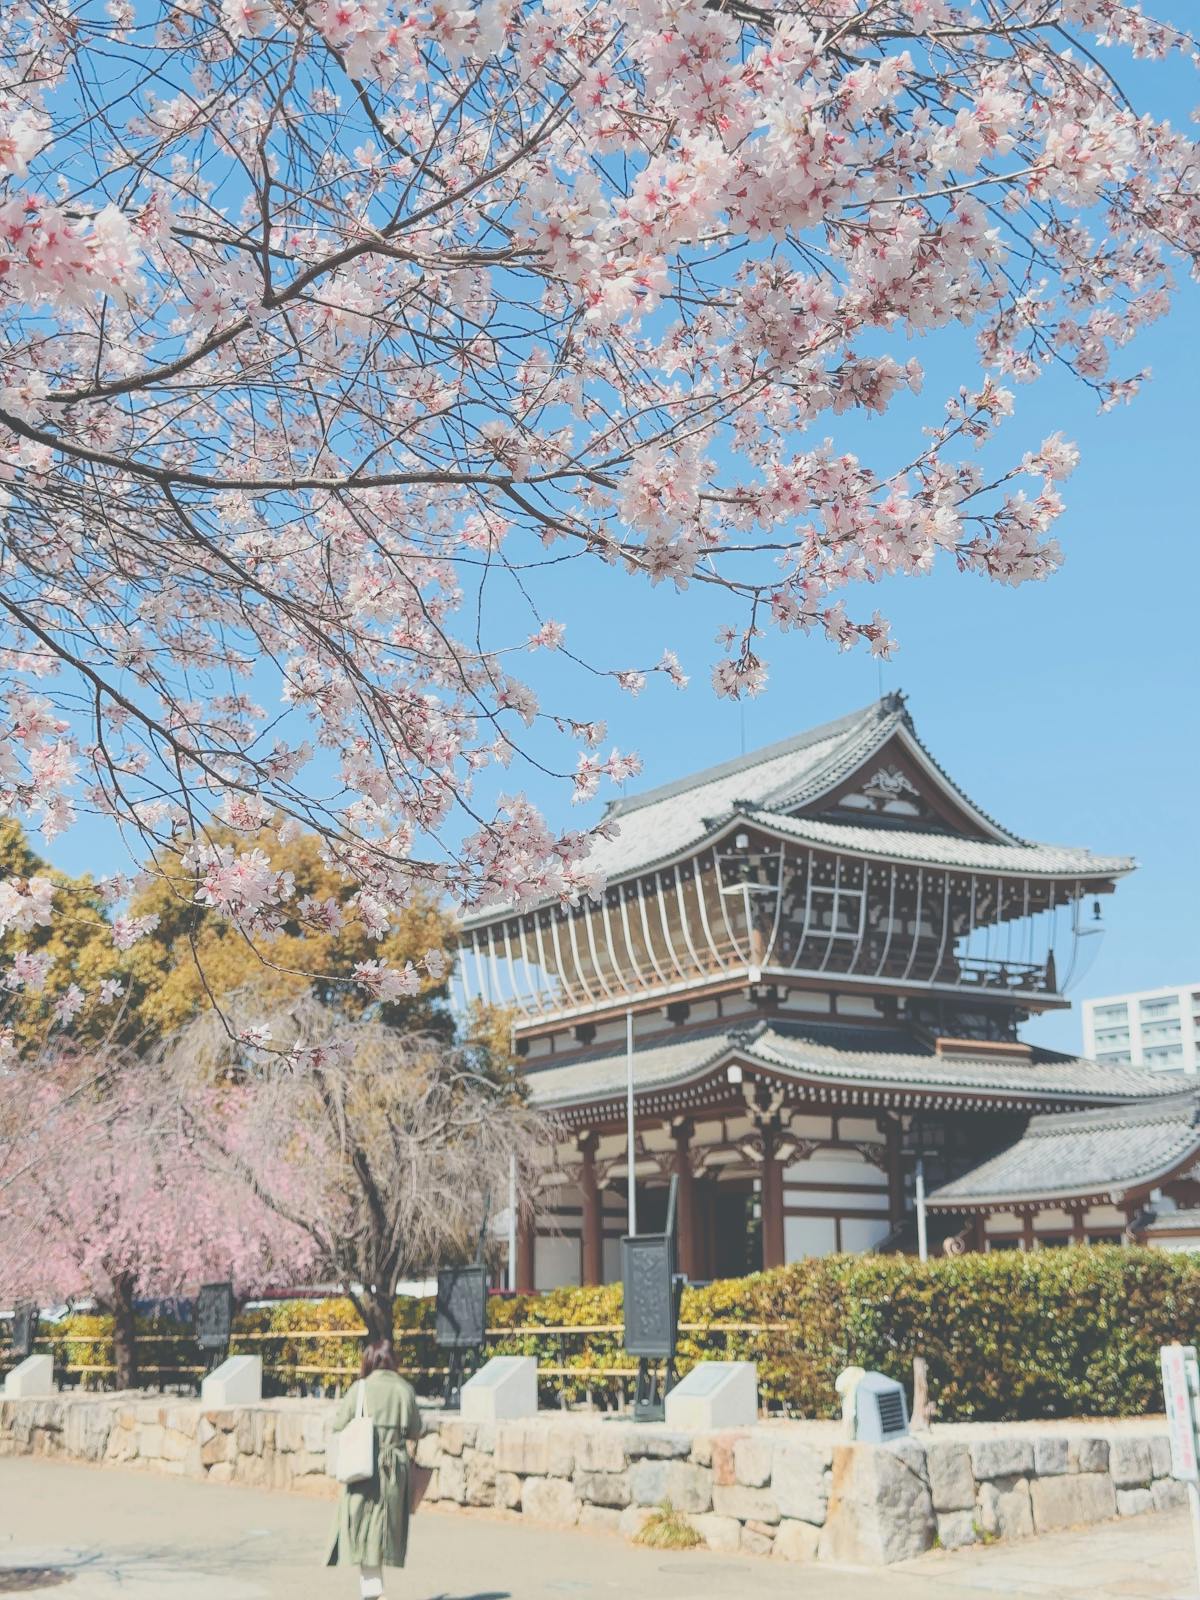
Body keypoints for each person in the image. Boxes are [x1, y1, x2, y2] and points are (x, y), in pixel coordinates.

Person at [327, 1339, 423, 1600]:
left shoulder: (360, 1389)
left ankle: (371, 1589)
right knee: (385, 1527)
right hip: (394, 1471)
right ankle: (373, 1589)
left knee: (363, 1527)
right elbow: (416, 1430)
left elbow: (338, 1426)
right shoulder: (404, 1389)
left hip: (362, 1468)